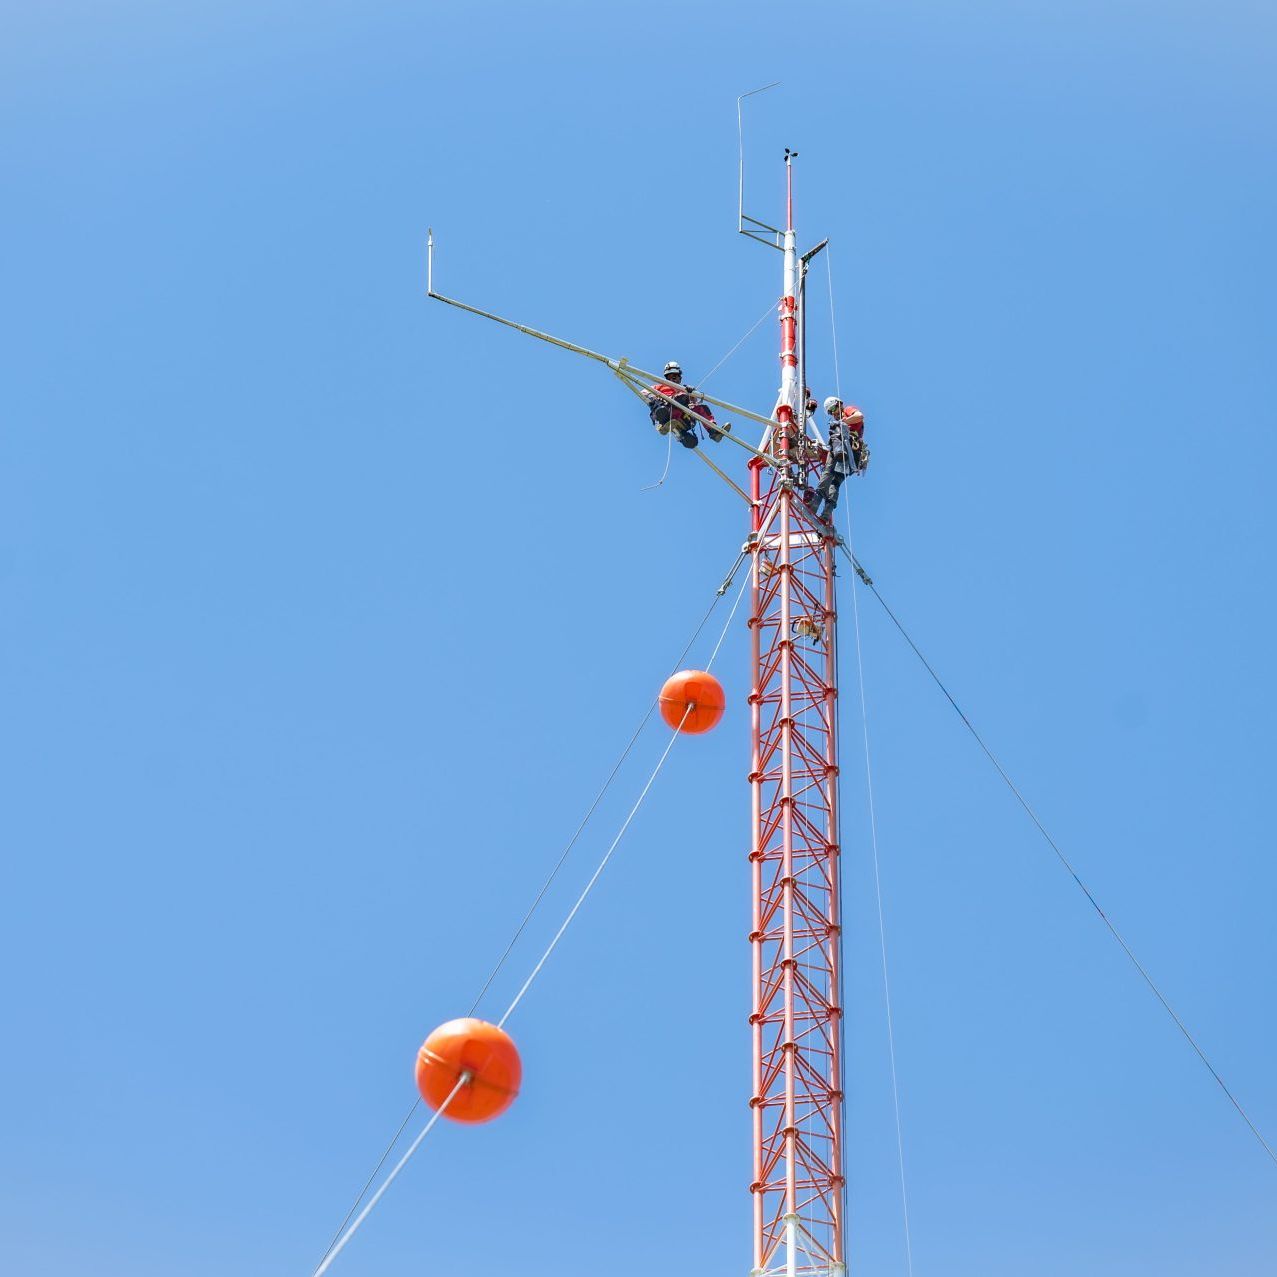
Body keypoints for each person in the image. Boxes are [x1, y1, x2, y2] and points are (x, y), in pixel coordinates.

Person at [644, 361, 728, 448]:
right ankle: (670, 425)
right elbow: (645, 392)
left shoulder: (684, 389)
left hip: (684, 417)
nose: (672, 379)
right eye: (669, 378)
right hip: (666, 409)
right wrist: (656, 399)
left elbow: (694, 402)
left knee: (702, 408)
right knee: (678, 399)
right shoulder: (660, 387)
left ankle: (713, 431)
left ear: (680, 378)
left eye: (674, 377)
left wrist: (691, 393)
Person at [812, 397, 868, 521]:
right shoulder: (841, 422)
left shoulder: (847, 411)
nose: (833, 413)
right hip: (851, 457)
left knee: (829, 471)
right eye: (830, 412)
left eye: (833, 409)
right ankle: (826, 513)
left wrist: (844, 421)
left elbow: (859, 416)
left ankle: (815, 502)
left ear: (839, 404)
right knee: (834, 483)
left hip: (847, 450)